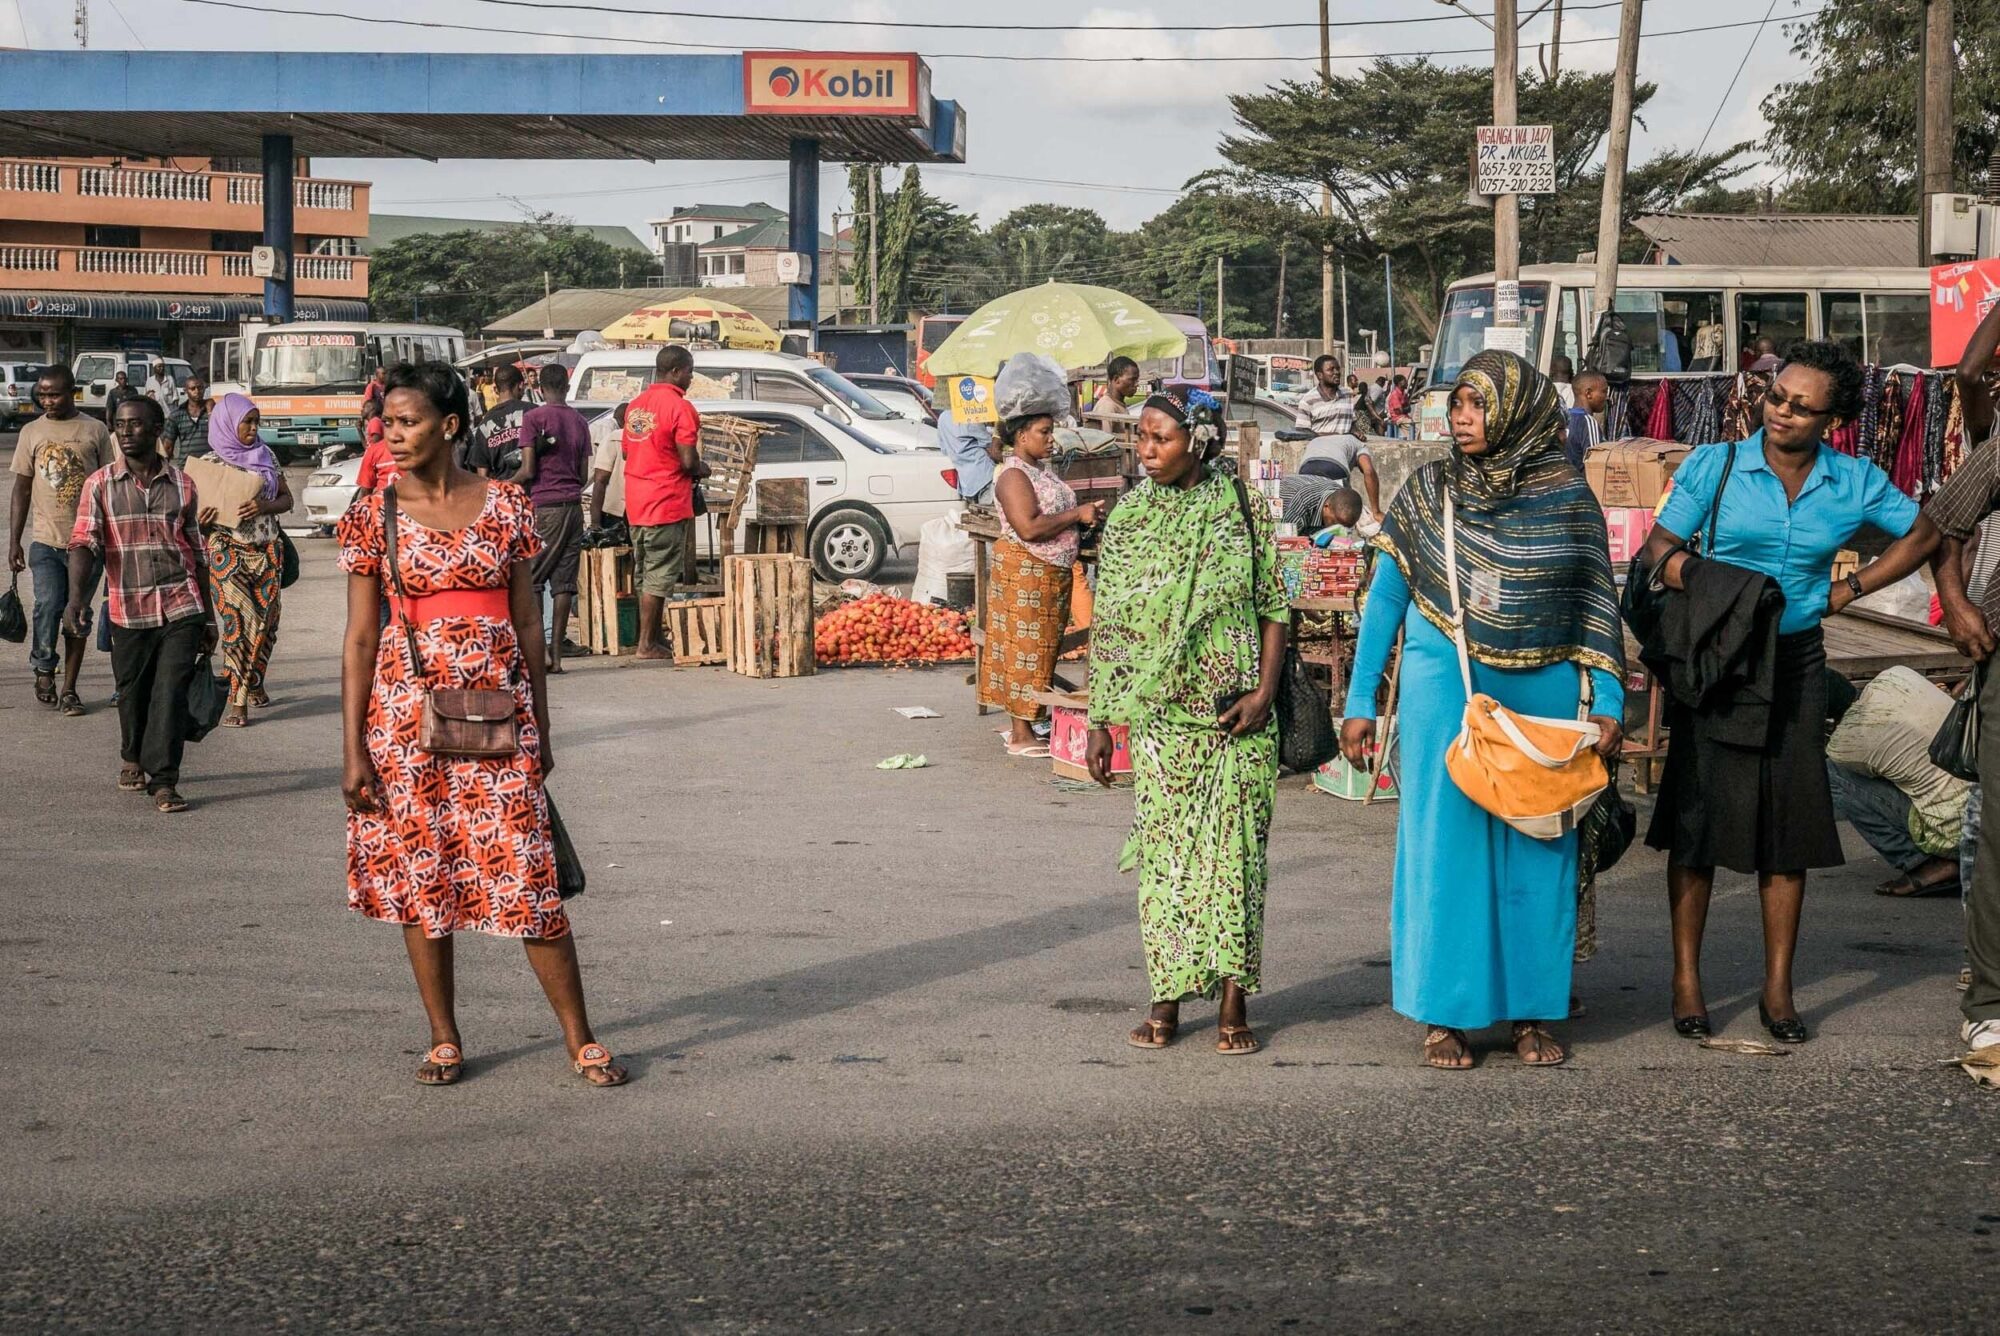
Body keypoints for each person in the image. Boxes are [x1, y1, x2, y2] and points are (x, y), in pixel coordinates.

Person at [1638, 340, 1940, 1046]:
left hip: (1797, 661)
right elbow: (1658, 552)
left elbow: (1925, 533)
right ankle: (1687, 978)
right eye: (1778, 397)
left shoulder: (1854, 480)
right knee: (1698, 817)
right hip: (1718, 661)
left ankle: (1778, 987)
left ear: (1832, 420)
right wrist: (1724, 587)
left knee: (1790, 825)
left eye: (1803, 407)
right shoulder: (1715, 464)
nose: (1782, 413)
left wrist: (1850, 588)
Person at [337, 361, 626, 1089]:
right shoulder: (375, 513)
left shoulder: (505, 505)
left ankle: (580, 1038)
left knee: (529, 879)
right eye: (388, 424)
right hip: (405, 728)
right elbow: (360, 640)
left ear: (451, 426)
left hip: (502, 724)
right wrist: (352, 751)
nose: (391, 435)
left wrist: (545, 724)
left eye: (407, 423)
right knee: (422, 878)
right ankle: (443, 1037)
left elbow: (528, 618)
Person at [1340, 350, 1626, 1070]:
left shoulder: (1568, 496)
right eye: (1457, 405)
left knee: (1541, 849)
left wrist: (1611, 700)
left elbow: (1597, 605)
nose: (1461, 418)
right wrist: (1359, 702)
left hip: (1546, 693)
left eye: (1477, 404)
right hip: (1450, 691)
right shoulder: (1428, 490)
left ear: (1519, 411)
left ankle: (1532, 1011)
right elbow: (1386, 600)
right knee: (1447, 850)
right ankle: (1446, 1014)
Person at [1087, 384, 1287, 1057]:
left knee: (1235, 865)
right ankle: (1165, 1000)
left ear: (1197, 440)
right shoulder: (1127, 520)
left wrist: (1263, 694)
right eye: (1139, 437)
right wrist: (1100, 722)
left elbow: (1274, 606)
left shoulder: (1241, 506)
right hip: (1163, 723)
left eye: (1160, 437)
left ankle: (1234, 1004)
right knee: (1167, 869)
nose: (1146, 449)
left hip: (1238, 719)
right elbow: (1110, 630)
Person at [65, 397, 216, 813]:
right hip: (128, 607)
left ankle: (164, 780)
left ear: (156, 429)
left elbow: (197, 554)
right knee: (133, 694)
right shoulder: (99, 484)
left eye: (136, 424)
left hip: (181, 605)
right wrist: (76, 597)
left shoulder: (183, 484)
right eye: (120, 425)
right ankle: (132, 754)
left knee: (170, 693)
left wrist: (209, 616)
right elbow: (83, 542)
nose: (127, 431)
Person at [1926, 294, 2000, 1052]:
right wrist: (1954, 602)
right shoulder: (1996, 443)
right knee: (1996, 832)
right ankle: (1991, 1001)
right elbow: (1945, 519)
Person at [979, 354, 1104, 754]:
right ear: (1021, 436)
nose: (1052, 438)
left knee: (1043, 651)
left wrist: (1081, 520)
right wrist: (1077, 513)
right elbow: (1029, 526)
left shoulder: (1040, 471)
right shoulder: (1014, 474)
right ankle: (1020, 733)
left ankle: (1030, 722)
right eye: (1044, 431)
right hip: (1027, 576)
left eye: (1051, 430)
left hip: (1049, 575)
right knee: (1025, 652)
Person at [8, 365, 113, 715]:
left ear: (73, 392)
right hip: (45, 541)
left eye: (54, 394)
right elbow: (21, 488)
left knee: (77, 613)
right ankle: (43, 666)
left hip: (88, 542)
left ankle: (69, 689)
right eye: (42, 394)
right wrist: (14, 542)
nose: (47, 401)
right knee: (49, 605)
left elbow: (110, 486)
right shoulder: (31, 432)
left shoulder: (95, 429)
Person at [198, 393, 292, 728]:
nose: (253, 429)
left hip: (267, 552)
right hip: (227, 553)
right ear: (227, 423)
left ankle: (253, 679)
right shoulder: (207, 465)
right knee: (241, 625)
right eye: (247, 422)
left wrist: (264, 506)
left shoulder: (266, 455)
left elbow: (286, 498)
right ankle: (236, 700)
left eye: (256, 422)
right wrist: (203, 520)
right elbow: (192, 518)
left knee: (267, 626)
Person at [622, 344, 707, 660]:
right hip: (665, 500)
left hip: (637, 502)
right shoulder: (680, 408)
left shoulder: (635, 406)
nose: (691, 377)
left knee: (645, 571)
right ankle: (646, 644)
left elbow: (628, 452)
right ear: (675, 371)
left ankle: (653, 638)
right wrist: (702, 467)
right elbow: (687, 460)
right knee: (659, 574)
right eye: (689, 371)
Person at [514, 363, 593, 674]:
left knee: (533, 578)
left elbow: (528, 470)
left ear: (540, 389)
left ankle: (537, 652)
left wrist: (500, 485)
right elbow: (585, 474)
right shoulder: (579, 421)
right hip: (574, 507)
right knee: (564, 584)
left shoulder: (533, 418)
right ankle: (556, 655)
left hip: (545, 507)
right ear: (567, 387)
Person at [1297, 434, 1384, 521]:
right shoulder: (1359, 444)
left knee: (1312, 513)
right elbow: (1369, 471)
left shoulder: (1316, 439)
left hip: (1306, 468)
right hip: (1334, 467)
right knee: (1344, 512)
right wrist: (1376, 511)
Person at [464, 365, 529, 479]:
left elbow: (482, 475)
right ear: (521, 385)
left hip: (505, 493)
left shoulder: (484, 424)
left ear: (495, 389)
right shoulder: (534, 412)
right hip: (536, 490)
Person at [936, 401, 999, 504]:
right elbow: (989, 445)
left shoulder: (943, 417)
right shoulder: (969, 415)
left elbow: (944, 449)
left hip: (966, 481)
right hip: (984, 474)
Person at [586, 401, 630, 536]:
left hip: (616, 509)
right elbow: (600, 480)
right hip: (616, 510)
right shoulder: (610, 433)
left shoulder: (614, 434)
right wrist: (595, 522)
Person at [1294, 355, 1364, 439]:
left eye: (1337, 369)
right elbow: (1303, 432)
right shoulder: (1308, 400)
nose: (1337, 372)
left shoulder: (1346, 394)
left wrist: (1355, 431)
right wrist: (1336, 437)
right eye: (1331, 370)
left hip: (1346, 448)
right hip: (1322, 450)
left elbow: (1351, 423)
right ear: (1320, 375)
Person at [1276, 475, 1363, 539]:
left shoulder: (1341, 496)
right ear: (1326, 507)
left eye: (1345, 526)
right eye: (1333, 523)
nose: (1337, 529)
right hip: (1277, 508)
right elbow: (1286, 541)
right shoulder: (1304, 500)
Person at [1565, 369, 1610, 469]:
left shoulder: (1564, 418)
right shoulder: (1588, 422)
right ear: (1588, 393)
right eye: (1604, 391)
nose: (1607, 397)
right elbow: (1596, 463)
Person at [164, 375, 213, 461]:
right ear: (185, 390)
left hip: (210, 465)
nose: (197, 391)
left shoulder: (212, 411)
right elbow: (168, 446)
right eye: (193, 388)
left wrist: (211, 412)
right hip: (185, 467)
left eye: (200, 388)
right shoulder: (177, 414)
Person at [356, 400, 397, 493]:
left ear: (372, 409)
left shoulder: (374, 422)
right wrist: (359, 430)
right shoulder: (374, 422)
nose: (361, 410)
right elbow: (368, 447)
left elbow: (374, 447)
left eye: (364, 408)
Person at [1385, 374, 1411, 438]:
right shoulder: (1395, 394)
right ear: (1400, 383)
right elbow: (1399, 411)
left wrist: (1404, 409)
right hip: (1398, 418)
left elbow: (1409, 408)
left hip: (1404, 417)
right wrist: (1404, 409)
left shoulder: (1404, 394)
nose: (1407, 383)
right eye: (1405, 381)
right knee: (1413, 428)